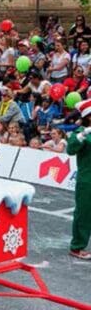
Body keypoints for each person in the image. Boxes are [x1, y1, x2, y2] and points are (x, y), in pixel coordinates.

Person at [66, 99, 91, 259]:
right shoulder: (81, 132)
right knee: (84, 213)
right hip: (87, 180)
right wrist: (84, 133)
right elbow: (70, 149)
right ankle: (77, 246)